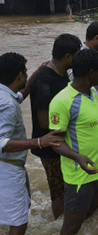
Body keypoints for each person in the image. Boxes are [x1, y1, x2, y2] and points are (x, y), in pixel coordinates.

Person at [49, 49, 98, 235]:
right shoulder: (63, 101)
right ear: (91, 73)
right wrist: (77, 157)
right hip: (79, 175)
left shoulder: (93, 92)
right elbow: (54, 141)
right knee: (71, 225)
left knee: (92, 212)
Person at [0, 52, 63, 235]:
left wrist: (36, 72)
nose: (27, 74)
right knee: (19, 222)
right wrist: (38, 141)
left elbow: (21, 95)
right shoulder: (7, 104)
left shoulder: (5, 94)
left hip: (10, 165)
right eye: (26, 72)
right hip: (7, 168)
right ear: (20, 75)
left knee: (21, 206)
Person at [30, 33, 82, 220]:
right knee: (58, 190)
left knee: (67, 186)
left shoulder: (61, 76)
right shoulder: (45, 81)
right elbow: (45, 122)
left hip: (63, 143)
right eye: (77, 55)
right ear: (68, 56)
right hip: (50, 147)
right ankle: (60, 224)